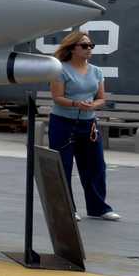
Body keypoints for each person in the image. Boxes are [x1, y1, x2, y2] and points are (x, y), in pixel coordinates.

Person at [49, 29, 118, 221]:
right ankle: (67, 208)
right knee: (63, 165)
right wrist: (75, 104)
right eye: (85, 46)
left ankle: (99, 208)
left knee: (96, 166)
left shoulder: (96, 71)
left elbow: (101, 98)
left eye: (91, 46)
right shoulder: (60, 70)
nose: (90, 49)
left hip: (89, 124)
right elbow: (57, 97)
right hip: (63, 123)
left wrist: (92, 105)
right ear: (72, 49)